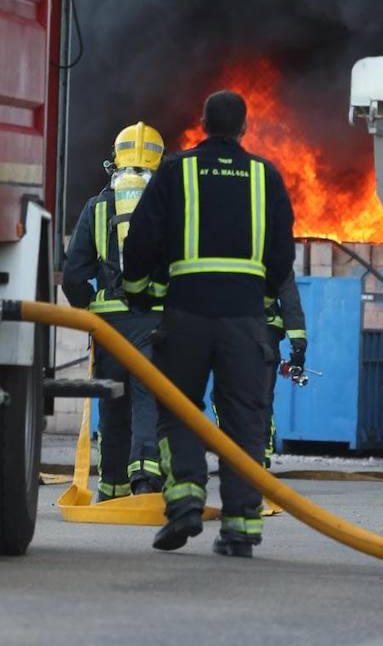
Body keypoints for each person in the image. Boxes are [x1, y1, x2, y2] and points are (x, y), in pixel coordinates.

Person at [122, 89, 295, 558]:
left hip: (186, 315)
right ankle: (240, 529)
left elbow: (142, 239)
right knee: (244, 421)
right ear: (244, 128)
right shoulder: (266, 176)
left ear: (202, 124)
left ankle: (185, 502)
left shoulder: (176, 170)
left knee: (177, 408)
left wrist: (138, 288)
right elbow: (282, 256)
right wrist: (258, 294)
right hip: (245, 321)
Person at [63, 121, 166, 499]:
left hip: (108, 327)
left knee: (113, 400)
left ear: (115, 161)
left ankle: (112, 486)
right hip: (155, 322)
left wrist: (89, 310)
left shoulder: (96, 207)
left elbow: (73, 275)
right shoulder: (172, 206)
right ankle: (146, 480)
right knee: (148, 397)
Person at [264, 271, 308, 465]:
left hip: (231, 333)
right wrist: (298, 350)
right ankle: (260, 452)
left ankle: (232, 450)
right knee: (261, 396)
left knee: (224, 396)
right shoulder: (276, 255)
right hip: (266, 335)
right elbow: (291, 304)